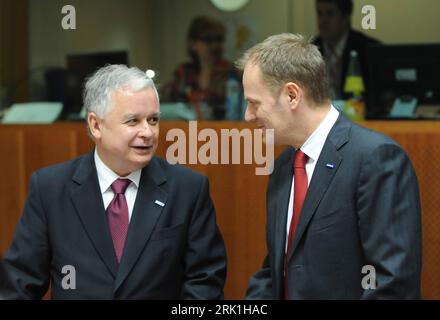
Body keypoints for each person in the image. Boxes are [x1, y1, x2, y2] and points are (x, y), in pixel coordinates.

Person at [0, 65, 227, 299]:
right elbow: (20, 284)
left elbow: (205, 282)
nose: (148, 132)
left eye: (153, 119)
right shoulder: (50, 189)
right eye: (133, 121)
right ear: (96, 125)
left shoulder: (188, 189)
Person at [236, 33, 422, 299]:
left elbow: (393, 283)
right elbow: (277, 271)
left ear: (291, 95)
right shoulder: (282, 167)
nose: (247, 116)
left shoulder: (376, 159)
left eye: (254, 103)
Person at [160, 16, 239, 120]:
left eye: (219, 39)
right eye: (208, 40)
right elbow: (162, 101)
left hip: (226, 132)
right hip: (185, 133)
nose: (215, 46)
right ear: (193, 44)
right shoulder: (184, 72)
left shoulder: (232, 72)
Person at [313, 0, 380, 100]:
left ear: (345, 18)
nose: (323, 21)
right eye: (319, 13)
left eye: (330, 14)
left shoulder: (367, 48)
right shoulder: (310, 49)